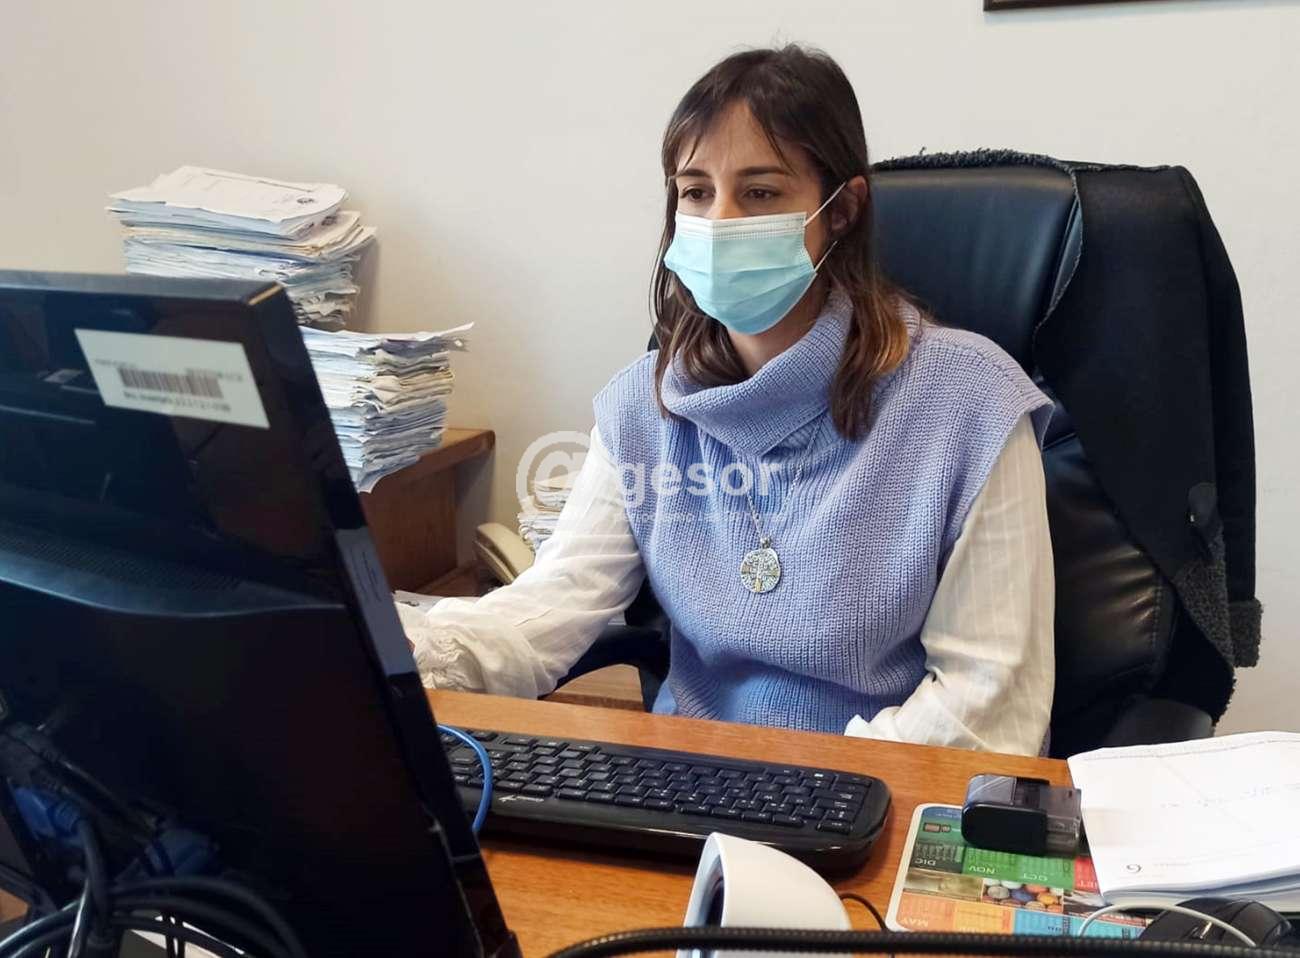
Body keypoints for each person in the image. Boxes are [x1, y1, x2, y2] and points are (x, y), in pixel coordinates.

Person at [399, 44, 1055, 755]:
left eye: (761, 192)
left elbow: (987, 703)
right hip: (688, 780)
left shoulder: (969, 402)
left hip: (879, 791)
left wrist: (827, 787)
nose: (720, 221)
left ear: (841, 210)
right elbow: (553, 602)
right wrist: (405, 655)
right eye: (695, 191)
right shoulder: (643, 405)